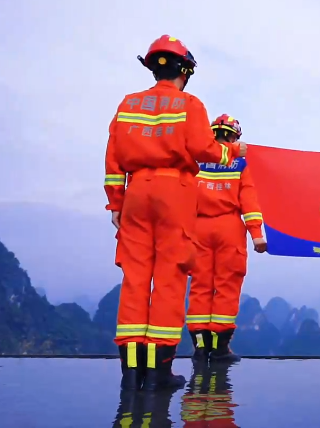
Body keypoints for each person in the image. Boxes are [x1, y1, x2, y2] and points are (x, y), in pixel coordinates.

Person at [105, 34, 246, 391]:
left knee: (135, 278)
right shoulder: (190, 104)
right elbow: (204, 149)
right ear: (186, 71)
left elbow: (113, 161)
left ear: (153, 68)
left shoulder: (127, 104)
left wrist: (117, 204)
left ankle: (132, 372)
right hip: (175, 191)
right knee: (170, 274)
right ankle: (159, 371)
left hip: (136, 191)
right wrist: (234, 151)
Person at [186, 114, 267, 364]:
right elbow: (249, 202)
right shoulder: (240, 163)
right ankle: (220, 348)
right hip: (228, 227)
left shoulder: (195, 162)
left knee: (200, 286)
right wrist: (257, 235)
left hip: (197, 227)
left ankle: (200, 348)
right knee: (227, 286)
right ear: (235, 137)